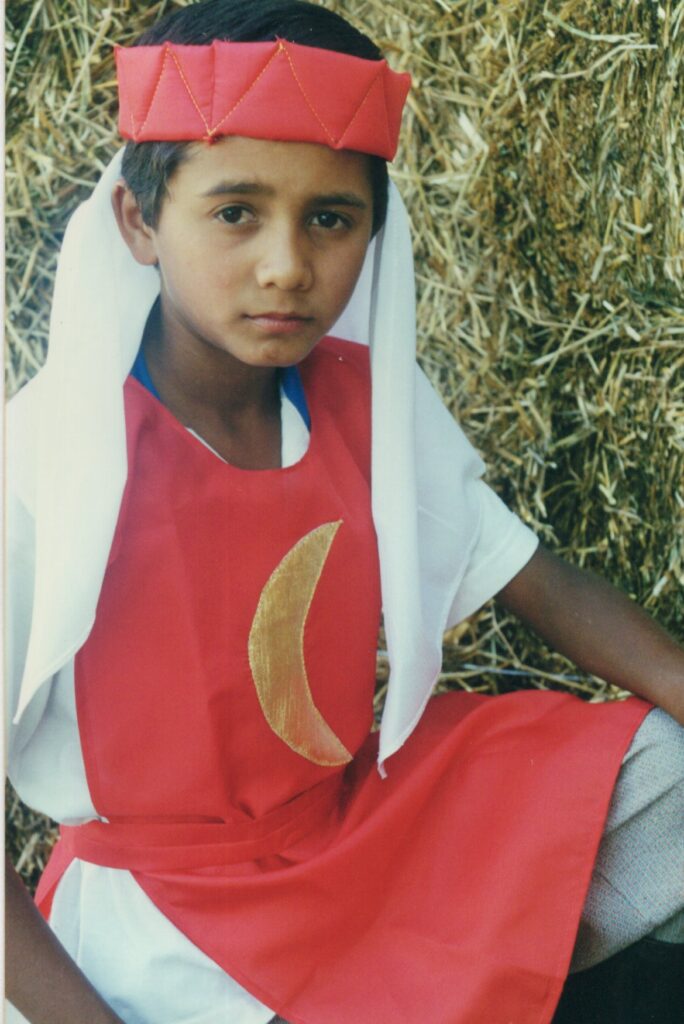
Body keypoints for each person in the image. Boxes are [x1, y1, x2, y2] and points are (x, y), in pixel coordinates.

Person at [5, 2, 684, 1023]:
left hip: (353, 834)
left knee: (667, 775)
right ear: (138, 222)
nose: (287, 264)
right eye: (236, 212)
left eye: (330, 217)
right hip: (166, 921)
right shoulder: (44, 463)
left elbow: (536, 580)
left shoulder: (362, 404)